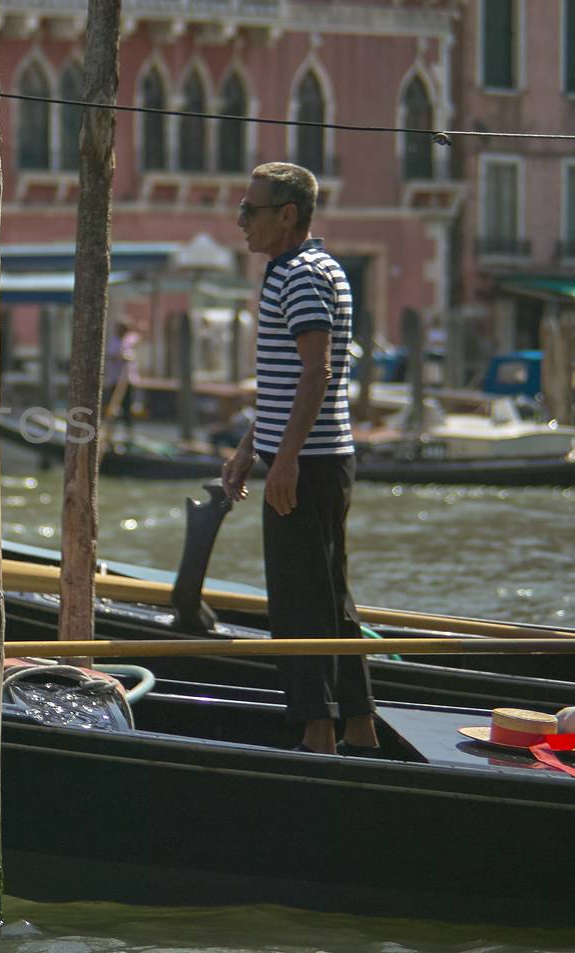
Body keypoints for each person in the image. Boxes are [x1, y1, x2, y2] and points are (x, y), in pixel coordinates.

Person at [220, 162, 377, 757]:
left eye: (250, 211)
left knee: (299, 599)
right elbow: (285, 383)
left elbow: (317, 373)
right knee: (329, 593)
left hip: (308, 462)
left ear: (287, 215)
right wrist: (248, 450)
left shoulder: (301, 276)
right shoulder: (303, 269)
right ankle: (358, 725)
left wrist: (282, 462)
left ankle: (319, 734)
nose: (241, 222)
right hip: (316, 456)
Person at [103, 317, 140, 434]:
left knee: (128, 408)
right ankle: (110, 432)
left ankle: (129, 433)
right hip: (116, 381)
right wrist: (123, 357)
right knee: (114, 408)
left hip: (128, 381)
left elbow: (137, 337)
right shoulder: (113, 342)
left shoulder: (128, 340)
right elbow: (112, 356)